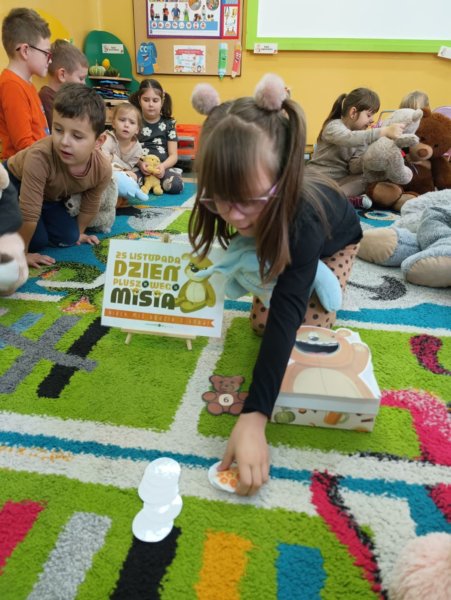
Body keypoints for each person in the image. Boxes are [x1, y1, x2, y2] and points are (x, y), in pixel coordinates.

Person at [188, 74, 363, 496]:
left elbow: (287, 311)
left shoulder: (303, 219)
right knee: (260, 321)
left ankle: (369, 245)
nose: (232, 215)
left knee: (308, 329)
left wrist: (254, 416)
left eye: (247, 199)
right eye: (220, 198)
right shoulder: (236, 202)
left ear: (284, 179)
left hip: (334, 240)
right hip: (279, 234)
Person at [4, 83, 112, 269]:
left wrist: (79, 233)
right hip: (12, 183)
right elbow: (29, 212)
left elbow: (91, 203)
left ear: (99, 141)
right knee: (36, 241)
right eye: (58, 130)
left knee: (69, 237)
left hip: (48, 196)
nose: (64, 142)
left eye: (77, 136)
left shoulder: (102, 168)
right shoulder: (39, 157)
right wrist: (22, 254)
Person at [306, 87, 405, 197]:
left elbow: (354, 167)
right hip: (316, 179)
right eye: (368, 115)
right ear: (353, 112)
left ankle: (338, 198)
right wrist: (382, 132)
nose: (372, 120)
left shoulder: (361, 137)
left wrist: (374, 154)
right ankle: (334, 198)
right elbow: (349, 138)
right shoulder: (333, 126)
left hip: (338, 182)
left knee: (365, 178)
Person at [0, 8, 51, 159]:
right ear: (25, 51)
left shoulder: (27, 84)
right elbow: (24, 146)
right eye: (46, 53)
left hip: (36, 162)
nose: (50, 60)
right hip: (23, 168)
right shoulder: (12, 86)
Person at [129, 79, 183, 194]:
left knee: (176, 185)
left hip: (162, 168)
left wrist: (163, 167)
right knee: (128, 181)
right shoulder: (134, 122)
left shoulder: (169, 124)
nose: (151, 104)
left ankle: (158, 183)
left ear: (162, 102)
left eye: (155, 100)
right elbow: (128, 149)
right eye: (146, 100)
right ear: (139, 100)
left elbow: (173, 155)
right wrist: (140, 164)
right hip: (140, 168)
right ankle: (143, 183)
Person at [39, 39, 89, 129]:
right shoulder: (47, 99)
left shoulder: (65, 99)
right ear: (62, 75)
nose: (84, 84)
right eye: (81, 78)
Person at [101, 102, 143, 180]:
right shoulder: (107, 138)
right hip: (105, 170)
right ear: (113, 123)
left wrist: (112, 158)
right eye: (122, 120)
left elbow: (128, 168)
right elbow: (104, 161)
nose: (126, 125)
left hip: (121, 173)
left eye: (132, 122)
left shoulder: (137, 149)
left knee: (134, 176)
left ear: (137, 129)